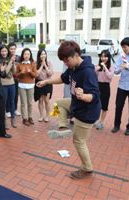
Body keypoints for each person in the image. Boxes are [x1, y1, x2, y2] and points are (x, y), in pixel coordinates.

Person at [37, 41, 101, 179]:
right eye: (63, 61)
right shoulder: (73, 68)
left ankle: (87, 168)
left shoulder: (87, 72)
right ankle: (62, 128)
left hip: (87, 111)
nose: (66, 63)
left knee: (79, 141)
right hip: (77, 104)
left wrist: (83, 96)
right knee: (58, 103)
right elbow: (63, 78)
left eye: (67, 60)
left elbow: (95, 96)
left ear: (76, 55)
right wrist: (46, 82)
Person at [15, 48, 37, 126]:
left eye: (28, 54)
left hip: (31, 85)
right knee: (23, 103)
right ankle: (25, 118)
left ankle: (30, 117)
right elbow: (16, 75)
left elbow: (35, 75)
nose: (26, 55)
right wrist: (21, 73)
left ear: (30, 55)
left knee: (30, 103)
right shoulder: (19, 64)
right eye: (25, 54)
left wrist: (30, 71)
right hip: (22, 85)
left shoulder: (33, 64)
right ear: (23, 55)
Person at [94, 50, 115, 130]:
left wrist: (105, 67)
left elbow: (110, 76)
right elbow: (92, 75)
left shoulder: (111, 67)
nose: (103, 58)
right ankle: (95, 121)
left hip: (106, 87)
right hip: (97, 86)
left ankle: (101, 122)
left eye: (105, 56)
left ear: (108, 58)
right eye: (102, 56)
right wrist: (97, 69)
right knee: (96, 104)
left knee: (104, 106)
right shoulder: (97, 66)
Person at [0, 44, 17, 128]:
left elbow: (14, 72)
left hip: (12, 84)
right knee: (3, 104)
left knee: (12, 102)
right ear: (0, 52)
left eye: (5, 51)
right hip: (3, 84)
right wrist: (10, 63)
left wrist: (13, 63)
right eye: (2, 51)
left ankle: (13, 120)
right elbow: (3, 73)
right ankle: (4, 122)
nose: (4, 53)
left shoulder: (10, 59)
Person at [34, 49, 53, 122]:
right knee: (40, 100)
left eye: (44, 54)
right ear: (39, 55)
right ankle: (41, 115)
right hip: (39, 83)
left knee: (46, 100)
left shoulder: (49, 63)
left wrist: (45, 64)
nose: (43, 56)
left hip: (47, 83)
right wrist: (41, 65)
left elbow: (50, 74)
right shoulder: (35, 63)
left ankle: (47, 116)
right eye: (41, 54)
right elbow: (36, 74)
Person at [6, 42, 21, 117]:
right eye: (11, 49)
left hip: (16, 79)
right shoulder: (6, 58)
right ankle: (8, 110)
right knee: (9, 95)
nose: (13, 50)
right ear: (8, 49)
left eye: (14, 49)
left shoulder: (18, 57)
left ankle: (15, 109)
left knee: (15, 95)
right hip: (8, 79)